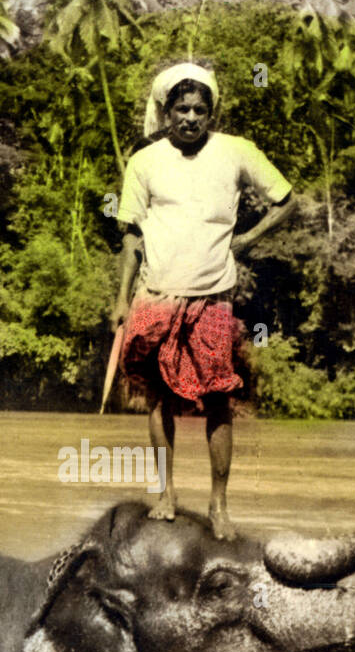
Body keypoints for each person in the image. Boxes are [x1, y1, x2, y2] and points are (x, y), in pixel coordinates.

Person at [110, 61, 296, 540]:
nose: (191, 118)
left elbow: (287, 200)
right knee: (157, 399)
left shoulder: (236, 152)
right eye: (181, 109)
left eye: (200, 110)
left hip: (213, 295)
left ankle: (219, 506)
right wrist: (120, 298)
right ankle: (166, 495)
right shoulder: (145, 161)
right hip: (155, 294)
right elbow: (130, 236)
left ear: (211, 113)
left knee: (218, 400)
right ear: (167, 112)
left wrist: (246, 241)